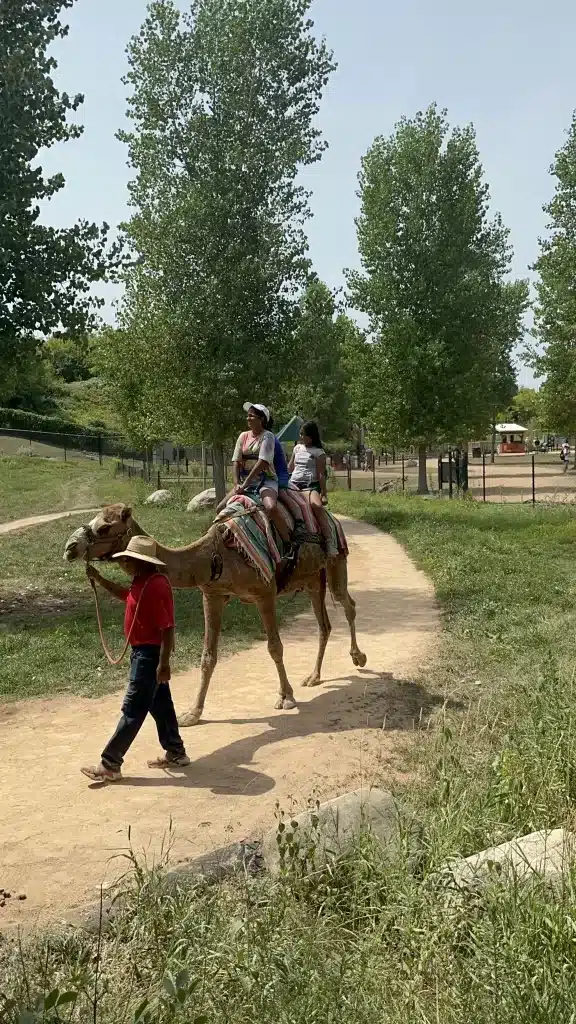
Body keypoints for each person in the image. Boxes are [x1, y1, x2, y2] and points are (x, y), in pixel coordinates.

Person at [81, 536, 190, 783]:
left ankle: (110, 764)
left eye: (129, 560)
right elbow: (126, 595)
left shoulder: (156, 585)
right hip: (144, 654)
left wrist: (164, 664)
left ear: (143, 562)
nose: (125, 563)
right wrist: (100, 579)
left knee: (133, 709)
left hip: (149, 657)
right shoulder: (142, 581)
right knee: (161, 706)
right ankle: (176, 752)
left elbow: (168, 627)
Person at [230, 402, 291, 543]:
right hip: (245, 482)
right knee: (221, 507)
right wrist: (236, 483)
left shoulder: (268, 436)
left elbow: (262, 463)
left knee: (271, 507)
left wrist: (244, 484)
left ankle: (288, 542)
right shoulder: (243, 436)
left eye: (251, 416)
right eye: (248, 415)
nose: (248, 418)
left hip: (265, 480)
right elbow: (236, 461)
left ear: (261, 419)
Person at [289, 421, 336, 555]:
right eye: (300, 433)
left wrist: (324, 493)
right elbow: (290, 467)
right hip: (293, 484)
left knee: (316, 506)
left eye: (303, 434)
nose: (301, 436)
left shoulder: (319, 453)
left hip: (309, 486)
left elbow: (321, 474)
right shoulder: (297, 448)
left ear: (311, 436)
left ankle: (329, 540)